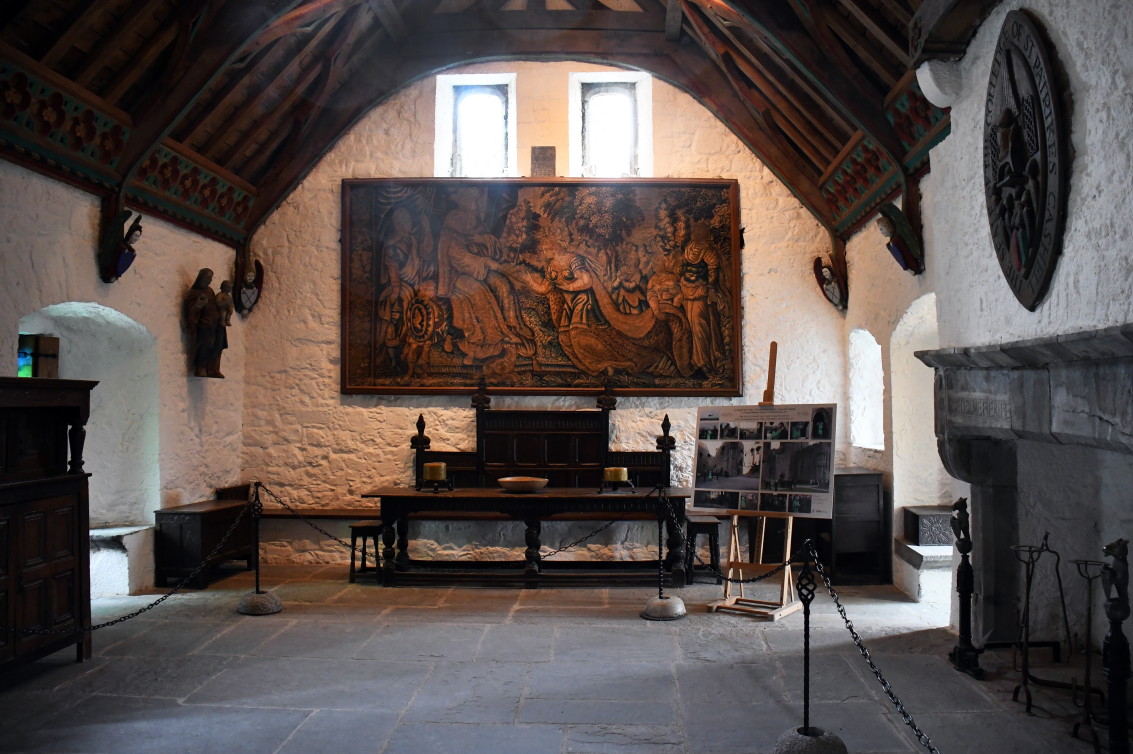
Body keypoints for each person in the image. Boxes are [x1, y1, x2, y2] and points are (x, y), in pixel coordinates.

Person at [679, 221, 724, 374]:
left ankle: (704, 361)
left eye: (699, 231)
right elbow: (683, 267)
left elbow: (712, 272)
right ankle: (692, 360)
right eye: (694, 231)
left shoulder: (709, 250)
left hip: (701, 291)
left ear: (704, 233)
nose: (695, 234)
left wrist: (710, 288)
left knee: (700, 325)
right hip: (686, 291)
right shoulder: (689, 247)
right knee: (688, 325)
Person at [184, 268, 226, 378]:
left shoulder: (210, 291)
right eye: (207, 279)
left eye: (210, 279)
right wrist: (198, 305)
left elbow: (216, 304)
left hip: (216, 323)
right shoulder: (194, 293)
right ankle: (200, 367)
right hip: (204, 324)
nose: (209, 281)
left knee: (218, 345)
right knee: (206, 344)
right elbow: (190, 311)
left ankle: (213, 369)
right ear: (200, 278)